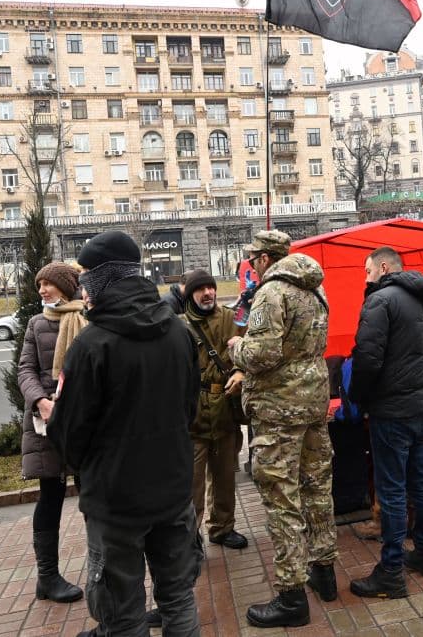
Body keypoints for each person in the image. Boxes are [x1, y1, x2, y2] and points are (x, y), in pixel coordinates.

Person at [47, 230, 203, 637]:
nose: (81, 284)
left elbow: (68, 433)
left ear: (101, 279)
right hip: (172, 490)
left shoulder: (91, 345)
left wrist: (92, 467)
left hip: (115, 502)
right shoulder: (178, 331)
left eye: (85, 276)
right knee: (179, 598)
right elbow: (191, 409)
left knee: (122, 614)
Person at [227, 230, 338, 628]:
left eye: (252, 257)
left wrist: (234, 348)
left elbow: (262, 353)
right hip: (311, 401)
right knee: (317, 487)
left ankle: (292, 595)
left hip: (279, 408)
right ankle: (324, 572)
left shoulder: (272, 292)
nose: (251, 264)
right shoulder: (314, 289)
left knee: (281, 497)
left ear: (262, 258)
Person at [144, 269, 247, 628]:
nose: (208, 293)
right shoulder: (178, 323)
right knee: (192, 484)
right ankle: (191, 542)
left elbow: (245, 354)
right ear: (188, 293)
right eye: (201, 288)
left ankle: (224, 527)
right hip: (192, 416)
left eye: (212, 288)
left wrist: (242, 372)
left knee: (226, 476)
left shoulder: (230, 319)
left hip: (226, 412)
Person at [347, 246, 423, 599]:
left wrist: (358, 398)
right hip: (420, 409)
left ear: (384, 266)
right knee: (420, 482)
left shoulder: (380, 301)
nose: (365, 277)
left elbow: (366, 358)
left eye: (367, 270)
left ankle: (391, 572)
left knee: (391, 490)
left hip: (390, 411)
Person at [17, 262, 88, 604]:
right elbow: (25, 370)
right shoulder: (37, 324)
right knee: (51, 498)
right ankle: (47, 577)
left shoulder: (88, 318)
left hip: (85, 423)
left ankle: (103, 567)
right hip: (48, 425)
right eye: (40, 285)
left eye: (49, 284)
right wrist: (40, 401)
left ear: (66, 286)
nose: (43, 290)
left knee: (94, 496)